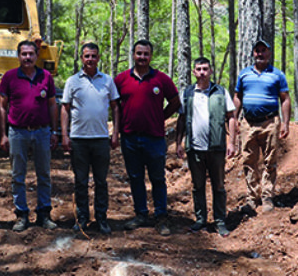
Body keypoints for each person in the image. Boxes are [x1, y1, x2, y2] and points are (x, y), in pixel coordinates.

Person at [114, 39, 180, 236]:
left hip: (155, 138)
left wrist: (162, 117)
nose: (142, 57)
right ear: (133, 55)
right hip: (130, 138)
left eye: (146, 54)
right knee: (135, 178)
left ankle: (161, 217)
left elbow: (175, 101)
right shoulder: (121, 79)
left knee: (158, 178)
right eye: (139, 53)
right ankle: (141, 214)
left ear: (150, 56)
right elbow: (114, 105)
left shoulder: (161, 79)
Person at [0, 40, 59, 232]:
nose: (27, 57)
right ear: (18, 56)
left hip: (42, 131)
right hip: (17, 132)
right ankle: (21, 214)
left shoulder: (46, 77)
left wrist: (54, 131)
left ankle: (44, 214)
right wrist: (3, 134)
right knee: (18, 175)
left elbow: (52, 104)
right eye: (24, 54)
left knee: (44, 174)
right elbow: (2, 106)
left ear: (36, 56)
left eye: (31, 54)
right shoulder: (9, 77)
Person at [61, 42, 120, 235]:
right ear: (82, 58)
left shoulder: (107, 81)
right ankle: (82, 218)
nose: (90, 59)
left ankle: (102, 218)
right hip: (79, 139)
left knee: (101, 181)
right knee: (80, 181)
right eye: (87, 56)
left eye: (94, 56)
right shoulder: (72, 81)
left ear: (98, 58)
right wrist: (64, 135)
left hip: (101, 139)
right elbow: (65, 109)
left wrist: (115, 133)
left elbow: (115, 107)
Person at [175, 57, 237, 237]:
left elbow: (231, 117)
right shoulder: (187, 93)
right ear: (194, 72)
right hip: (194, 148)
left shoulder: (220, 92)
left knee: (218, 186)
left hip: (217, 148)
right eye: (198, 69)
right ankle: (201, 220)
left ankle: (220, 221)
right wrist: (179, 142)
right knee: (197, 186)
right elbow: (181, 119)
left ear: (210, 71)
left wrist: (231, 142)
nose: (202, 72)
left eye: (205, 69)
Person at [233, 39, 292, 213]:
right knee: (249, 161)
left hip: (270, 122)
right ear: (253, 53)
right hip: (248, 123)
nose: (260, 53)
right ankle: (252, 197)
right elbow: (237, 96)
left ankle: (267, 196)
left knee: (270, 161)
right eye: (257, 50)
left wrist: (285, 123)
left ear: (269, 53)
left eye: (263, 50)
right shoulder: (244, 74)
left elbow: (285, 99)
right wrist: (234, 118)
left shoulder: (277, 75)